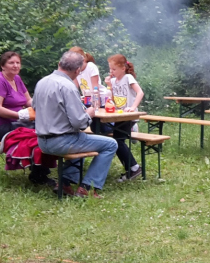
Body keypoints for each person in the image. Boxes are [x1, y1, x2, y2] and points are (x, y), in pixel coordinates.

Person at [35, 51, 117, 198]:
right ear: (78, 70)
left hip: (42, 141)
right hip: (62, 141)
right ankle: (87, 188)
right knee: (111, 144)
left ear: (59, 64)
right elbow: (79, 122)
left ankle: (65, 182)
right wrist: (89, 114)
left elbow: (35, 108)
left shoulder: (42, 82)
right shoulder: (67, 86)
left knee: (82, 138)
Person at [0, 51, 53, 186]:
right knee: (33, 132)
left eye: (18, 62)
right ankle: (38, 174)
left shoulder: (17, 79)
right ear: (3, 66)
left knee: (42, 128)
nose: (15, 65)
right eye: (11, 63)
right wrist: (20, 115)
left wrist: (44, 107)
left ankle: (40, 172)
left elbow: (28, 101)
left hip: (13, 123)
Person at [105, 54, 144, 182]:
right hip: (119, 115)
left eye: (114, 69)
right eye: (110, 69)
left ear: (123, 68)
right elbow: (111, 98)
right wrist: (108, 85)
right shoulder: (113, 81)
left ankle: (134, 168)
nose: (111, 72)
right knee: (116, 140)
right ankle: (132, 168)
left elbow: (140, 92)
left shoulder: (128, 78)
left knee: (117, 141)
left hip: (129, 115)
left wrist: (133, 107)